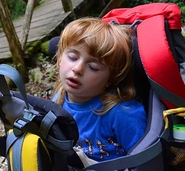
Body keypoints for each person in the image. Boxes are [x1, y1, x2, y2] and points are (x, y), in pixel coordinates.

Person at [52, 17, 147, 164]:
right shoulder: (59, 99)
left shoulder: (123, 113)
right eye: (72, 57)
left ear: (110, 79)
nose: (77, 69)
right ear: (59, 59)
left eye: (93, 67)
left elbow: (145, 163)